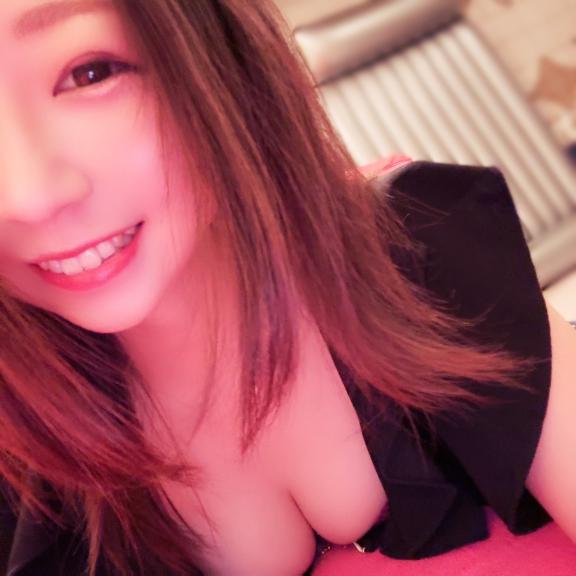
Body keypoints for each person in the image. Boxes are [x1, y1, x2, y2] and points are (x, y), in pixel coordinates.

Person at [0, 1, 575, 575]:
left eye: (91, 73)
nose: (25, 198)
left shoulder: (414, 257)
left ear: (217, 53)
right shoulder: (28, 460)